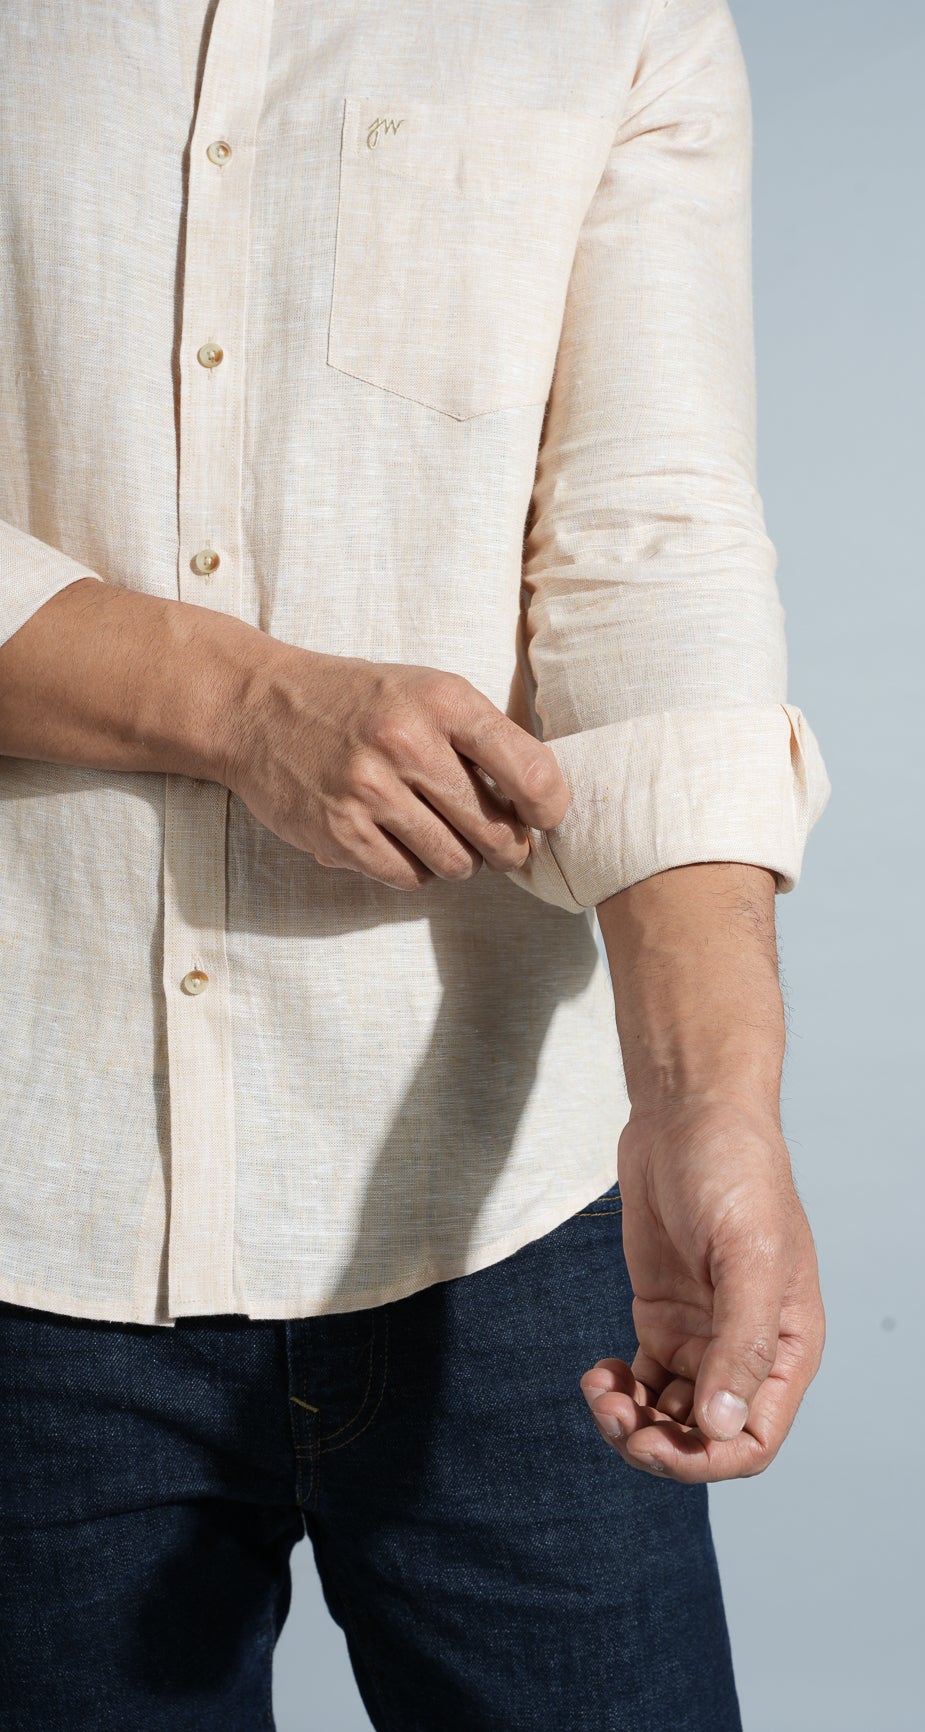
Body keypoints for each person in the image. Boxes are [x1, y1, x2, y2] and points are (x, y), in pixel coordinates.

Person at [0, 0, 833, 1725]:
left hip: (505, 1214)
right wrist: (241, 705)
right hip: (27, 1208)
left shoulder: (619, 21)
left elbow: (647, 543)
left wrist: (711, 1109)